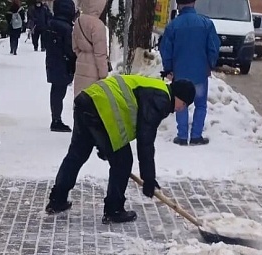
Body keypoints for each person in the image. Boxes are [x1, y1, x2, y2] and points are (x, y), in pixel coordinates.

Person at [45, 75, 197, 224]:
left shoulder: (156, 88)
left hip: (87, 99)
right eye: (183, 104)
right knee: (123, 161)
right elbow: (145, 140)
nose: (181, 109)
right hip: (103, 109)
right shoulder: (161, 100)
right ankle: (114, 210)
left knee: (77, 155)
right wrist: (148, 178)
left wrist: (104, 144)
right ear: (177, 95)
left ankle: (57, 200)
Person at [159, 0, 220, 146]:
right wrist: (210, 64)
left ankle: (182, 136)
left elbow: (166, 50)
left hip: (180, 73)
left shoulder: (172, 26)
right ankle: (196, 136)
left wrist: (168, 69)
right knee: (200, 105)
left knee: (181, 103)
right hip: (200, 72)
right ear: (194, 3)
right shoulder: (206, 24)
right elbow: (214, 47)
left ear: (178, 5)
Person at [44, 0, 76, 133]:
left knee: (56, 90)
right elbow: (70, 47)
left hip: (52, 60)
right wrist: (73, 59)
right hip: (63, 62)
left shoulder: (51, 23)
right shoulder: (67, 28)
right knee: (59, 91)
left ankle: (55, 118)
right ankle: (56, 120)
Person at [72, 0, 109, 97]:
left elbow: (75, 47)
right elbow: (100, 54)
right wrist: (103, 74)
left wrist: (83, 55)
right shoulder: (98, 25)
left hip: (80, 63)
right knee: (92, 100)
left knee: (79, 98)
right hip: (93, 68)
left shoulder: (78, 21)